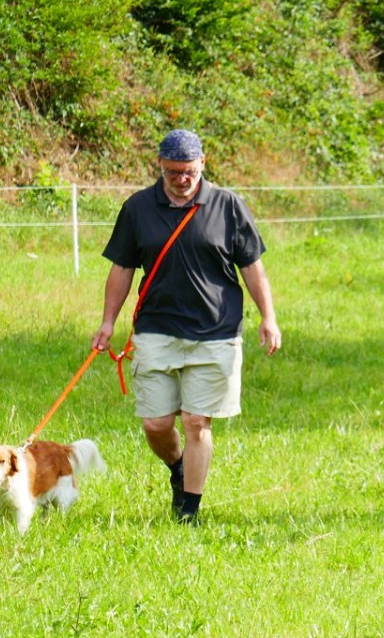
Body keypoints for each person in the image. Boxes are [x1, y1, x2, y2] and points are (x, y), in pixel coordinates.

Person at [92, 129, 281, 524]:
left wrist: (269, 317)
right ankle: (178, 468)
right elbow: (122, 269)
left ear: (203, 164)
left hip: (216, 331)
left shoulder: (228, 206)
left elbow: (252, 267)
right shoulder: (138, 208)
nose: (182, 179)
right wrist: (108, 322)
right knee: (156, 423)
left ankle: (188, 512)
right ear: (160, 165)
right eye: (174, 171)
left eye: (189, 171)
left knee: (197, 421)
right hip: (156, 329)